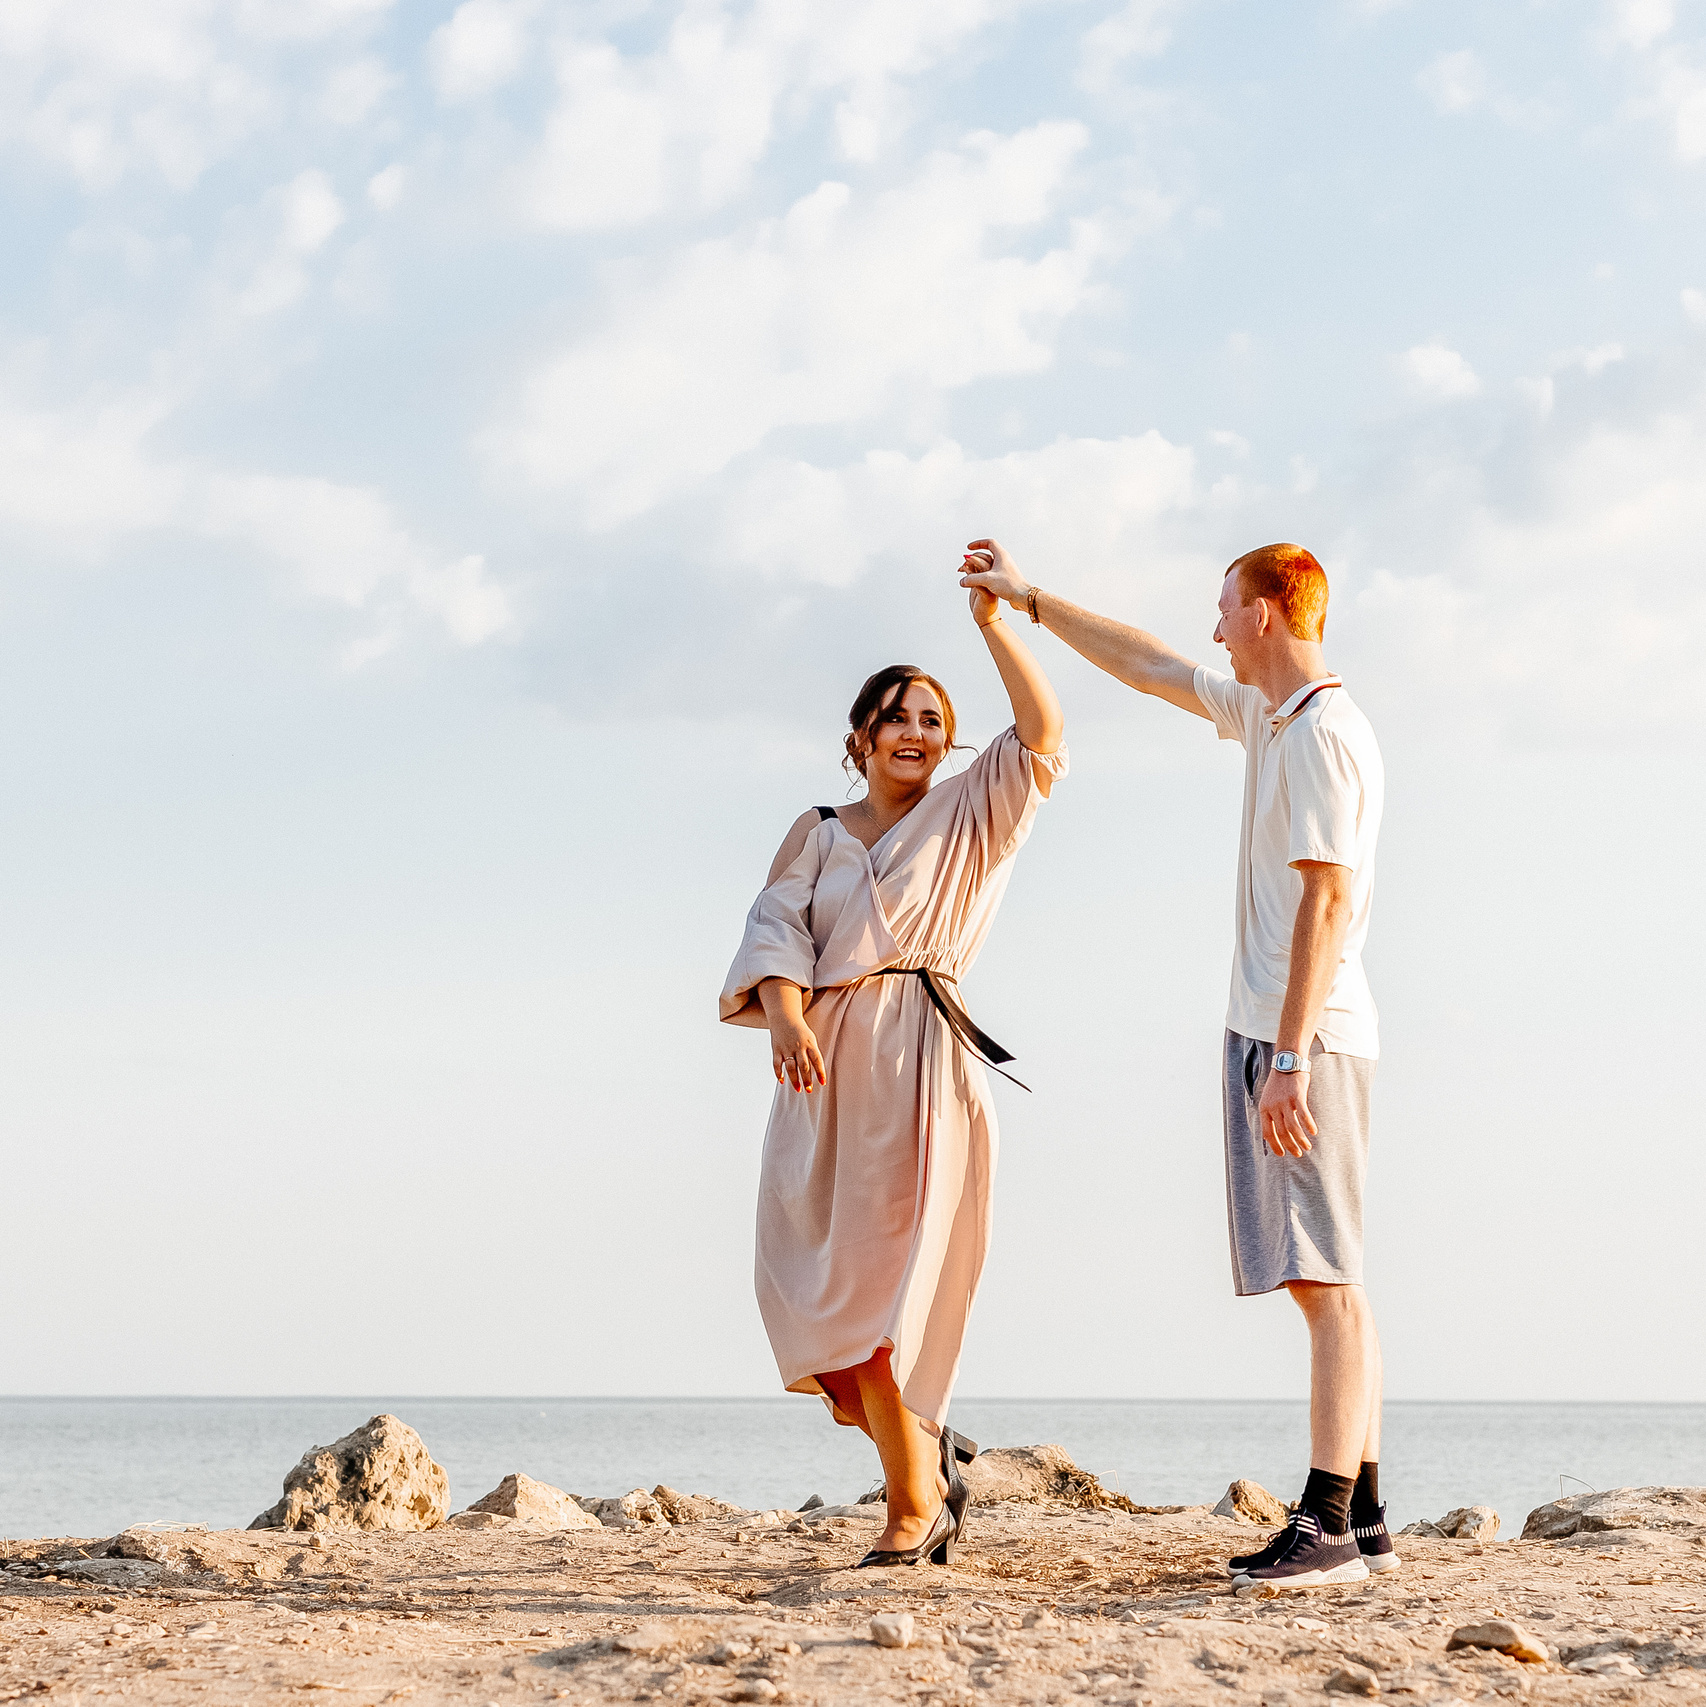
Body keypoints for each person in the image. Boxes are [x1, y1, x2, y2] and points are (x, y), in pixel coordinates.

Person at [959, 538, 1394, 1589]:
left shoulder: (1324, 733)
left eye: (1221, 609)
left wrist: (1286, 1054)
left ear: (1265, 614)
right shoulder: (1270, 717)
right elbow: (1146, 664)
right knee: (1323, 1274)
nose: (1209, 629)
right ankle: (1365, 1514)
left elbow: (1324, 905)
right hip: (1278, 1031)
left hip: (1307, 1034)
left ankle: (1327, 1523)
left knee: (1320, 1277)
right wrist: (1026, 600)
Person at [720, 577, 1066, 1568]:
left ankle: (909, 1509)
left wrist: (994, 623)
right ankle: (928, 1458)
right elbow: (772, 927)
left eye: (933, 720)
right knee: (818, 1291)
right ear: (860, 737)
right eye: (896, 718)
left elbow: (1040, 730)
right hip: (821, 1075)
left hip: (921, 1067)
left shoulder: (970, 815)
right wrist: (786, 1020)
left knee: (888, 1295)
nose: (915, 732)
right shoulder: (818, 830)